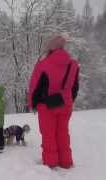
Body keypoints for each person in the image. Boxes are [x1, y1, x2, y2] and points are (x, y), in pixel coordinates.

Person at [28, 34, 80, 169]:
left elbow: (35, 86)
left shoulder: (43, 64)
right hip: (66, 104)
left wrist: (32, 104)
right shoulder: (73, 64)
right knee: (63, 133)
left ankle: (51, 163)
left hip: (47, 106)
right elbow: (75, 87)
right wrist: (68, 100)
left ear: (51, 48)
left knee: (48, 134)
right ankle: (66, 161)